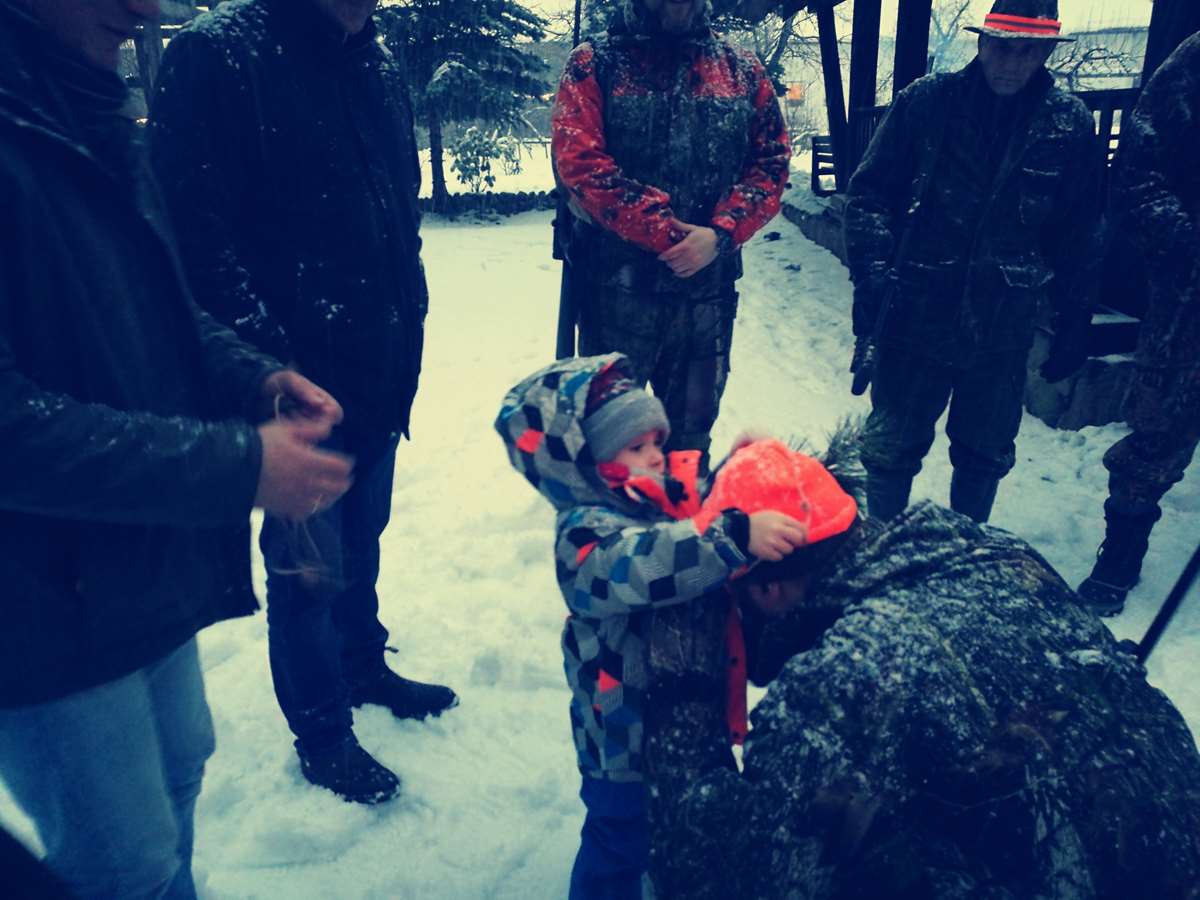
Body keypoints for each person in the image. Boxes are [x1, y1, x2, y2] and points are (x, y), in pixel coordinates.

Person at [0, 0, 355, 896]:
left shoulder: (90, 103)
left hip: (137, 562)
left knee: (181, 776)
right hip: (37, 605)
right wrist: (242, 467)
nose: (145, 7)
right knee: (125, 865)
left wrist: (252, 377)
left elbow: (157, 309)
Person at [636, 438, 1200, 899]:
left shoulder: (847, 673)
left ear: (769, 588)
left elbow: (717, 878)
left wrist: (682, 679)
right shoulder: (989, 549)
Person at [149, 0, 457, 804]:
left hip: (379, 369)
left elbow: (398, 214)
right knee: (307, 572)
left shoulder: (374, 59)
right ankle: (323, 732)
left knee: (364, 539)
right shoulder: (218, 56)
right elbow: (196, 244)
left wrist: (405, 327)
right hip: (292, 387)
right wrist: (267, 369)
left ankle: (361, 665)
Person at [495, 354, 810, 899]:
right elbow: (649, 560)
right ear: (593, 463)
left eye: (657, 442)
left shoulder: (652, 500)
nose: (656, 456)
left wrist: (741, 468)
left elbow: (698, 508)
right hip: (622, 736)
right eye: (635, 447)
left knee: (675, 824)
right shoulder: (584, 537)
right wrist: (734, 536)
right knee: (620, 838)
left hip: (681, 715)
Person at [843, 0, 1103, 524]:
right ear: (981, 43)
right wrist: (871, 273)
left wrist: (1076, 315)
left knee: (985, 453)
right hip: (915, 310)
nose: (1012, 62)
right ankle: (880, 545)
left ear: (1046, 54)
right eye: (1002, 47)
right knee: (890, 446)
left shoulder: (1068, 123)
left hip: (1003, 326)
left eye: (1028, 51)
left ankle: (965, 549)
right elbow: (869, 195)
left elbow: (1080, 229)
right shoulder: (927, 103)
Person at [550, 0, 791, 468]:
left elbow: (771, 163)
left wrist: (720, 235)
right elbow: (579, 164)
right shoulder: (596, 63)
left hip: (706, 301)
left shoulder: (741, 71)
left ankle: (682, 514)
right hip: (615, 296)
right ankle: (613, 518)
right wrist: (666, 234)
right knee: (610, 442)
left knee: (690, 446)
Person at [1077, 31, 1200, 616]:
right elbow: (1137, 174)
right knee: (1157, 428)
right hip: (1189, 298)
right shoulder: (1194, 63)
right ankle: (1121, 553)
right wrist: (1186, 243)